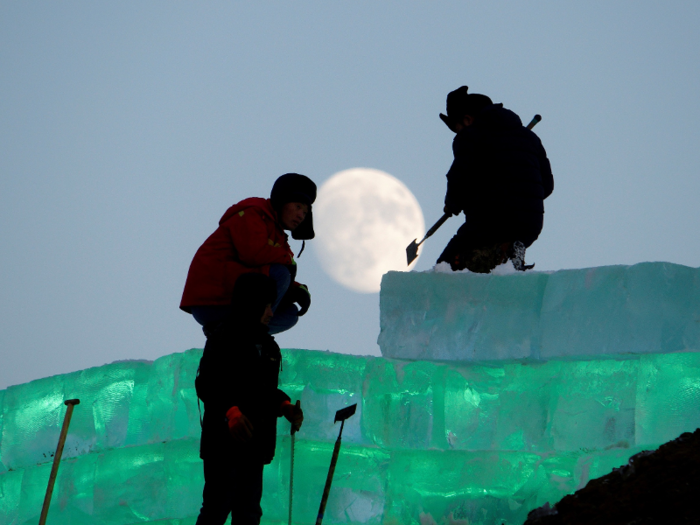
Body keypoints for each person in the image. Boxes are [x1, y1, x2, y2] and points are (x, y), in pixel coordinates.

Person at [194, 272, 304, 525]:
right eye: (266, 305)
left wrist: (284, 406)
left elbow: (261, 391)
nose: (271, 312)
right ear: (251, 304)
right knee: (217, 507)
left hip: (253, 445)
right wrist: (231, 412)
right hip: (223, 445)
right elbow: (208, 383)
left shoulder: (268, 347)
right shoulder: (223, 338)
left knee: (248, 513)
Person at [180, 173, 316, 335]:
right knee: (281, 274)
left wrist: (297, 290)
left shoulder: (278, 236)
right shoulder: (253, 214)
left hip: (232, 301)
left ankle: (231, 334)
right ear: (282, 201)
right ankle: (248, 340)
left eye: (306, 212)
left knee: (290, 314)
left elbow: (262, 272)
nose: (301, 215)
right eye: (298, 206)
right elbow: (253, 254)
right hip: (211, 302)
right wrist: (287, 262)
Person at [436, 86, 554, 273]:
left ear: (467, 119)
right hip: (529, 224)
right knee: (489, 261)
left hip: (489, 221)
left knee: (446, 267)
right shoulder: (530, 137)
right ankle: (507, 257)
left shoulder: (469, 137)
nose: (457, 133)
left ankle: (501, 253)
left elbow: (459, 177)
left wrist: (452, 204)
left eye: (456, 128)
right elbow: (546, 186)